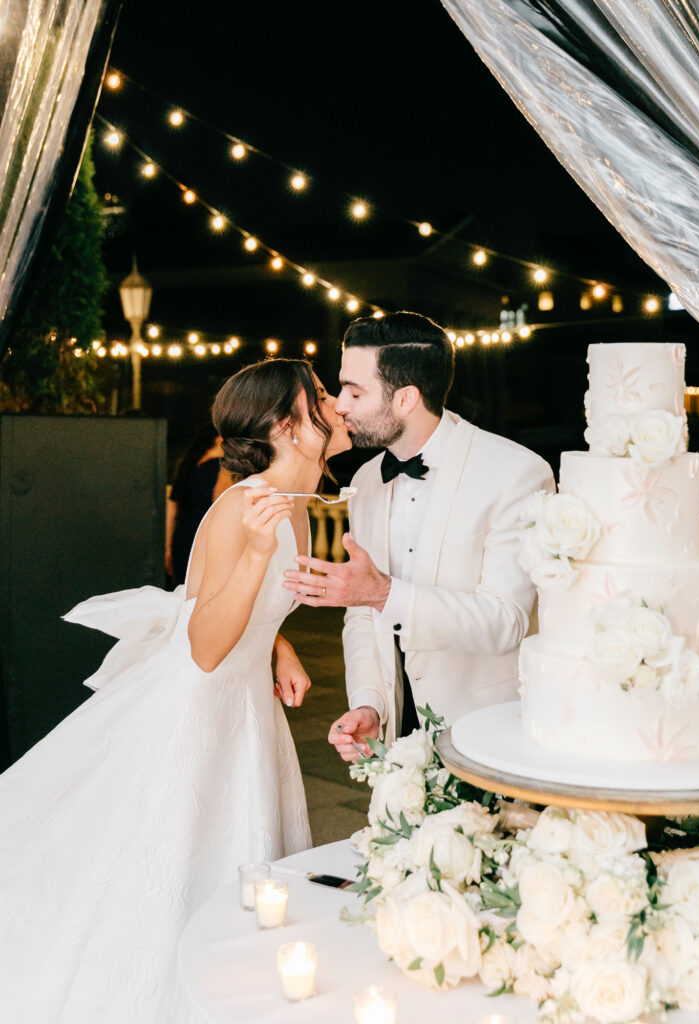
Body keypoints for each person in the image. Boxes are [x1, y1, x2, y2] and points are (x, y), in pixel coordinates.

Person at [0, 358, 350, 1022]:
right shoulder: (243, 509)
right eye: (323, 399)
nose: (335, 407)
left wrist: (278, 642)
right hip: (200, 709)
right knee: (170, 859)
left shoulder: (295, 505)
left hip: (246, 706)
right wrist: (251, 557)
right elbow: (206, 643)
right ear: (288, 426)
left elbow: (216, 604)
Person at [282, 311, 555, 760]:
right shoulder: (369, 479)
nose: (340, 406)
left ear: (405, 398)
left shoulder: (517, 473)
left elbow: (506, 623)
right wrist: (369, 702)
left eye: (354, 391)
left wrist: (384, 592)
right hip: (397, 730)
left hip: (487, 730)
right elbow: (361, 614)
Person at [165, 422, 231, 584]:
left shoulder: (186, 465)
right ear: (219, 439)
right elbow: (223, 508)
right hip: (205, 542)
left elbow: (171, 509)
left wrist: (167, 548)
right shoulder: (222, 468)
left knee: (183, 591)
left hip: (182, 538)